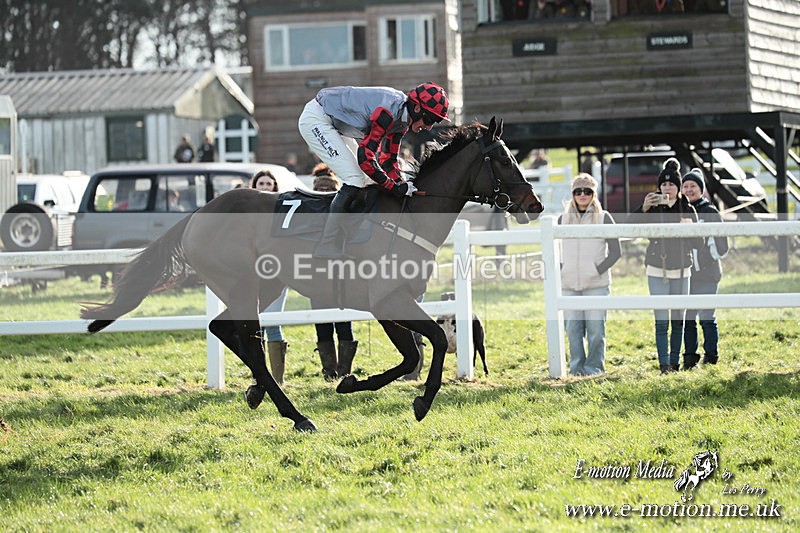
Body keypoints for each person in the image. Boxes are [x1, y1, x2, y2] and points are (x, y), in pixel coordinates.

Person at [298, 82, 450, 259]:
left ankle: (351, 235)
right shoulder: (387, 113)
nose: (430, 127)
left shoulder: (402, 120)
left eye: (435, 121)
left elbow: (388, 160)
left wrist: (402, 184)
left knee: (368, 180)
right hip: (317, 119)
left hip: (336, 123)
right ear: (417, 108)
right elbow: (366, 158)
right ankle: (326, 244)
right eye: (430, 119)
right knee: (355, 178)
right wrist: (394, 187)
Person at [629, 157, 699, 374]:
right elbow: (628, 229)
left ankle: (675, 363)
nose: (667, 188)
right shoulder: (652, 208)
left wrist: (691, 229)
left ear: (678, 187)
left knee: (678, 321)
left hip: (682, 270)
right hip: (656, 268)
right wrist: (643, 208)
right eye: (664, 184)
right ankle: (664, 364)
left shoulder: (687, 208)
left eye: (671, 184)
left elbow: (700, 243)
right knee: (661, 322)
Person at [559, 173, 621, 375]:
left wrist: (596, 271)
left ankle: (594, 368)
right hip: (568, 284)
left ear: (594, 194)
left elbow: (616, 252)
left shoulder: (604, 218)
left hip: (597, 285)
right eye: (578, 191)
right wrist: (562, 269)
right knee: (573, 330)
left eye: (587, 191)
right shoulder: (562, 219)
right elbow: (554, 250)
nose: (582, 195)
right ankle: (576, 369)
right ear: (573, 194)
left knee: (596, 331)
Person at [308, 163, 360, 380]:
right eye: (320, 189)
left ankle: (344, 371)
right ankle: (329, 372)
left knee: (344, 323)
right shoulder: (309, 215)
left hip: (341, 275)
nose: (324, 192)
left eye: (328, 188)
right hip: (317, 276)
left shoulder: (345, 213)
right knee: (322, 325)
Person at [681, 168, 729, 368]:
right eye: (685, 186)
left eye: (693, 186)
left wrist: (704, 259)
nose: (689, 189)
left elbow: (722, 246)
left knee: (707, 317)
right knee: (688, 318)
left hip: (707, 274)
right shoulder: (679, 212)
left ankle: (711, 356)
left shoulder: (710, 212)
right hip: (686, 274)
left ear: (701, 189)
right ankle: (690, 357)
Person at [250, 168, 289, 384]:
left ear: (274, 186)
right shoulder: (247, 213)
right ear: (254, 186)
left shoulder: (281, 211)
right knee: (255, 326)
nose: (265, 187)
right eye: (261, 183)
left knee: (273, 322)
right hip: (252, 273)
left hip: (276, 272)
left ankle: (277, 380)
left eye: (268, 183)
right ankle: (260, 377)